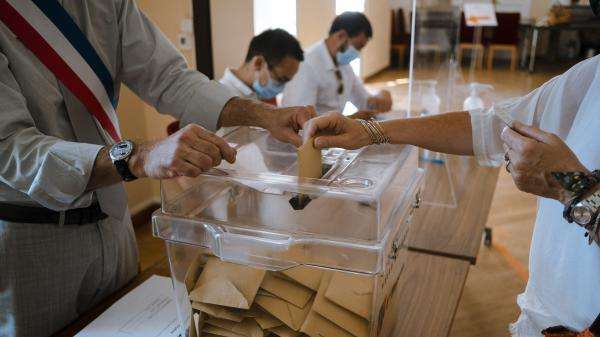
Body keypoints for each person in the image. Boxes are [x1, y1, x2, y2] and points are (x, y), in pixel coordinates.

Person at [0, 1, 314, 336]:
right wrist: (137, 156)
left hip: (111, 219)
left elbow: (169, 78)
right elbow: (9, 146)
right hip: (32, 234)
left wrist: (264, 115)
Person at [304, 56, 600, 336]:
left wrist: (575, 188)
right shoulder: (590, 75)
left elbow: (575, 186)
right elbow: (493, 124)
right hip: (544, 316)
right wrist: (371, 131)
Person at [282, 11, 392, 117]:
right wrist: (349, 120)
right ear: (341, 36)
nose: (357, 53)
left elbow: (363, 101)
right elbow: (300, 122)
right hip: (311, 134)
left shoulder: (344, 64)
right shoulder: (306, 66)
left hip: (331, 130)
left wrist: (380, 97)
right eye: (357, 47)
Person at [219, 28, 304, 101]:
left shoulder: (253, 96)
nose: (281, 89)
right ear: (258, 63)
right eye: (280, 80)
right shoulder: (223, 98)